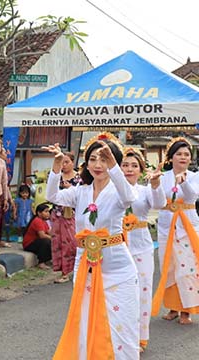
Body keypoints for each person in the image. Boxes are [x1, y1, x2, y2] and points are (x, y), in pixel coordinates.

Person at [45, 132, 139, 360]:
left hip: (118, 269)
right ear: (86, 163)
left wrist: (115, 166)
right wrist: (56, 167)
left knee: (120, 323)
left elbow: (129, 198)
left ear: (113, 162)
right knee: (86, 318)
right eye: (93, 159)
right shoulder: (81, 192)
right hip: (85, 263)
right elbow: (52, 195)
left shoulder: (119, 192)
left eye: (104, 159)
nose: (98, 165)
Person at [120, 147, 165, 353]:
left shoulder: (145, 190)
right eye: (125, 165)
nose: (129, 169)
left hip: (142, 247)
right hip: (117, 247)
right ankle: (119, 335)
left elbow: (159, 203)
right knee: (119, 294)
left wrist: (155, 184)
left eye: (134, 166)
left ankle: (139, 338)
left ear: (141, 170)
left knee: (142, 292)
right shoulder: (109, 190)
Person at [153, 137, 199, 326]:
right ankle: (172, 307)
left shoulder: (195, 176)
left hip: (187, 226)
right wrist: (154, 185)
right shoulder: (162, 177)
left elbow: (191, 196)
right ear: (171, 158)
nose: (183, 157)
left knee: (187, 268)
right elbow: (157, 202)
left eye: (186, 154)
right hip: (166, 226)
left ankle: (186, 310)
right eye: (179, 154)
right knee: (169, 267)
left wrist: (183, 182)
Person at [50, 151, 83, 283]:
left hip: (72, 214)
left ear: (73, 162)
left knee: (71, 242)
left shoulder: (79, 178)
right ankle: (63, 271)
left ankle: (73, 268)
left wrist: (71, 188)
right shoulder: (56, 176)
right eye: (62, 162)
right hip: (57, 212)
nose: (64, 165)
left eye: (67, 162)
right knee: (57, 242)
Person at [22, 203, 52, 270]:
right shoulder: (37, 221)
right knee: (46, 241)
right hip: (29, 244)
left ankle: (48, 259)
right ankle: (41, 263)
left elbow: (49, 232)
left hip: (36, 242)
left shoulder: (44, 221)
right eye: (46, 211)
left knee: (53, 241)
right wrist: (53, 238)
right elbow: (42, 235)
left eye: (48, 212)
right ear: (39, 213)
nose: (48, 214)